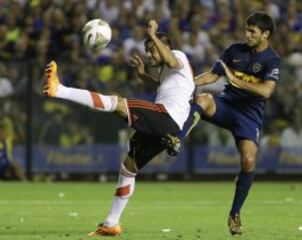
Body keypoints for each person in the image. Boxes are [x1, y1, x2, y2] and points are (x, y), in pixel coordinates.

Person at [43, 20, 194, 236]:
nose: (149, 55)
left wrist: (152, 34)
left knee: (116, 103)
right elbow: (166, 87)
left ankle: (60, 90)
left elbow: (170, 59)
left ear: (165, 47)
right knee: (128, 169)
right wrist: (143, 76)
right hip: (167, 122)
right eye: (147, 51)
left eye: (151, 50)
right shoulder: (168, 73)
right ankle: (111, 224)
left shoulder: (178, 55)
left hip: (166, 116)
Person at [175, 12, 281, 235]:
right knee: (202, 99)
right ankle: (177, 139)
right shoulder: (234, 50)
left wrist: (234, 79)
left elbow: (266, 91)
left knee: (249, 160)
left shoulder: (272, 60)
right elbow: (213, 76)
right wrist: (185, 84)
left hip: (249, 115)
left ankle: (235, 214)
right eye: (247, 30)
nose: (247, 34)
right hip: (227, 105)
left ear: (266, 34)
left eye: (252, 31)